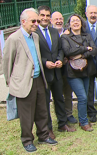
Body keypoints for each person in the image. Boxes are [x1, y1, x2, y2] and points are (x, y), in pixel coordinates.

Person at [3, 8, 58, 152]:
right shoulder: (14, 39)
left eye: (37, 21)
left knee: (42, 110)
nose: (36, 24)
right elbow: (7, 63)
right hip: (23, 83)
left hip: (39, 79)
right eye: (33, 21)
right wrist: (12, 83)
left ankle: (43, 135)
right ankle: (27, 140)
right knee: (26, 114)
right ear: (23, 21)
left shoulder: (35, 37)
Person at [36, 6, 76, 139]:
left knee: (59, 99)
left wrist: (59, 60)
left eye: (47, 15)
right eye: (43, 15)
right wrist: (44, 62)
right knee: (45, 102)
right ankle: (48, 129)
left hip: (57, 72)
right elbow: (33, 53)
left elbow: (59, 49)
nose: (45, 18)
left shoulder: (54, 32)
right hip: (44, 74)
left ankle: (62, 124)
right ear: (38, 16)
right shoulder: (35, 32)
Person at [61, 14, 97, 131]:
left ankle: (83, 119)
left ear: (81, 23)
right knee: (82, 97)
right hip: (72, 73)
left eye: (78, 20)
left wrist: (81, 55)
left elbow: (94, 50)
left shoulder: (87, 36)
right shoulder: (65, 37)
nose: (75, 22)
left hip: (86, 71)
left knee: (85, 97)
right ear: (69, 24)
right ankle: (84, 122)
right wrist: (85, 49)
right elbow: (68, 51)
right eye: (73, 21)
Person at [51, 11, 78, 124]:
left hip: (67, 68)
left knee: (68, 92)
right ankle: (60, 116)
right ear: (51, 21)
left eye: (60, 19)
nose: (59, 21)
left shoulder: (68, 33)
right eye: (56, 19)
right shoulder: (50, 33)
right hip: (54, 68)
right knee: (57, 94)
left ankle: (69, 113)